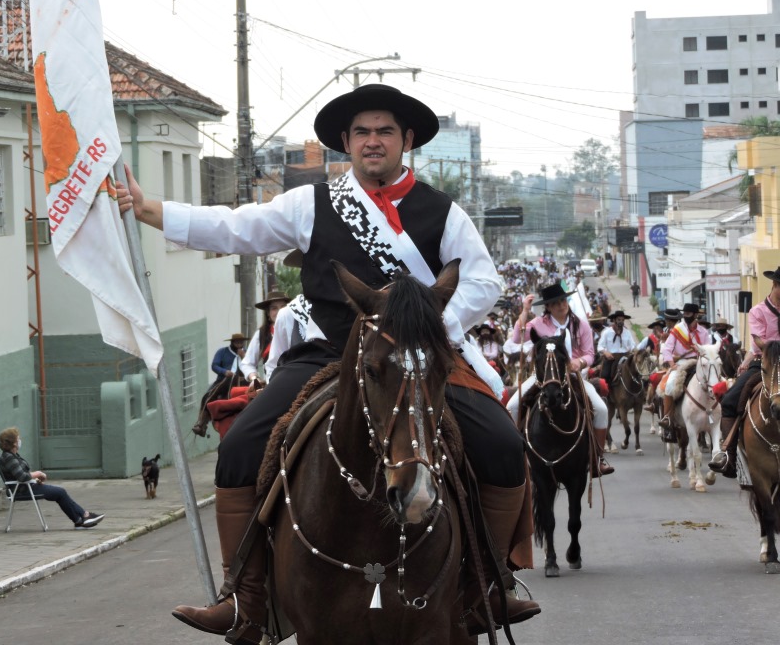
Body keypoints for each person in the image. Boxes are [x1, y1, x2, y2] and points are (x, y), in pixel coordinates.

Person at [118, 83, 539, 641]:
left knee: (504, 447)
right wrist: (150, 210)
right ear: (346, 142)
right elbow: (236, 226)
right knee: (242, 449)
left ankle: (486, 583)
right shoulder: (311, 203)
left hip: (417, 358)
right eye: (362, 132)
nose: (373, 141)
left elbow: (482, 280)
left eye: (385, 131)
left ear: (406, 140)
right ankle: (245, 597)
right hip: (327, 355)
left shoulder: (443, 211)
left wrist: (427, 331)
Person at [503, 284, 615, 477]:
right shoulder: (538, 323)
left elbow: (589, 353)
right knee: (512, 406)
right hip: (542, 377)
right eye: (555, 303)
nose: (560, 305)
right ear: (548, 307)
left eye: (562, 300)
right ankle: (516, 457)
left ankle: (597, 458)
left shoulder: (581, 324)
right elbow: (516, 337)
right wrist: (525, 311)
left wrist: (578, 363)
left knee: (602, 409)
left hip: (573, 376)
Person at [711, 267, 780, 477]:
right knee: (730, 400)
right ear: (775, 285)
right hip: (764, 364)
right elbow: (758, 341)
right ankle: (729, 456)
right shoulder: (758, 311)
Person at [0, 428, 104, 528]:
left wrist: (35, 479)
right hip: (22, 490)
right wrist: (38, 474)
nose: (20, 440)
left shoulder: (12, 456)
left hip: (27, 486)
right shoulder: (9, 457)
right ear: (14, 443)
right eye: (18, 439)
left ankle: (80, 519)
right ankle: (83, 516)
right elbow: (22, 477)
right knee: (60, 492)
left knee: (60, 493)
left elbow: (22, 475)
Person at [657, 302, 713, 429]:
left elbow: (709, 350)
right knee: (670, 385)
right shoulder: (677, 330)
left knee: (716, 382)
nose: (685, 316)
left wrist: (701, 352)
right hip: (682, 364)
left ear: (695, 315)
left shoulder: (703, 332)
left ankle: (716, 414)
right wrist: (672, 364)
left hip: (699, 362)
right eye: (685, 314)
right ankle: (667, 417)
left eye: (688, 314)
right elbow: (667, 349)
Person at [192, 334, 249, 437]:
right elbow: (214, 365)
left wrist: (243, 356)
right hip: (225, 380)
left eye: (241, 342)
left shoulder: (247, 352)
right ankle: (201, 424)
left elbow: (252, 365)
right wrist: (224, 371)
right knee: (208, 396)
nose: (239, 344)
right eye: (237, 342)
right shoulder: (222, 352)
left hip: (243, 380)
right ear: (232, 343)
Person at [240, 290, 290, 386]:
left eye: (283, 307)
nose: (279, 311)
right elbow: (247, 363)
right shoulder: (262, 334)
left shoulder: (299, 330)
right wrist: (255, 378)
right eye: (274, 308)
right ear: (268, 313)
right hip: (273, 385)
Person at [598, 310, 637, 387]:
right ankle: (605, 393)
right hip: (611, 358)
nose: (621, 322)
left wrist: (632, 350)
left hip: (625, 357)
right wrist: (606, 353)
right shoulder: (607, 332)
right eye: (619, 319)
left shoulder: (627, 332)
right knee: (605, 375)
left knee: (636, 372)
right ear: (614, 320)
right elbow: (600, 346)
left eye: (622, 320)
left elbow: (632, 345)